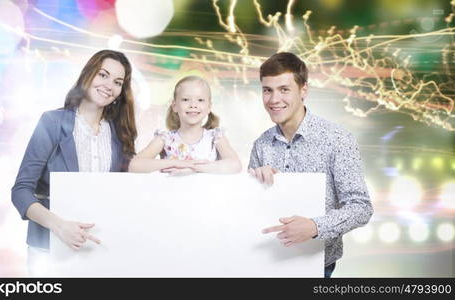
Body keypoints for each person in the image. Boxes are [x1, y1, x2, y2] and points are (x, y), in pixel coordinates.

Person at [248, 52, 373, 278]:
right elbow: (249, 209)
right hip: (264, 265)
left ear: (304, 90)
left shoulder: (337, 139)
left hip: (316, 267)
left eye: (284, 89)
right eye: (267, 90)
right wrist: (252, 181)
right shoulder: (261, 145)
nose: (274, 99)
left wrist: (315, 227)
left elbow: (361, 207)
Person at [11, 50, 137, 273]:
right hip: (49, 249)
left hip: (101, 248)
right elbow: (21, 190)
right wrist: (59, 226)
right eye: (103, 75)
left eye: (118, 82)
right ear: (88, 75)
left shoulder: (120, 134)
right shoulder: (52, 122)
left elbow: (126, 191)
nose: (109, 85)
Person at [129, 75, 241, 175]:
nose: (193, 105)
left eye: (200, 100)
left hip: (206, 196)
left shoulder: (215, 137)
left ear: (209, 107)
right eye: (186, 99)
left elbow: (235, 165)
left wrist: (194, 168)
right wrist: (177, 163)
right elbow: (134, 166)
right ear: (175, 106)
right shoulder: (166, 139)